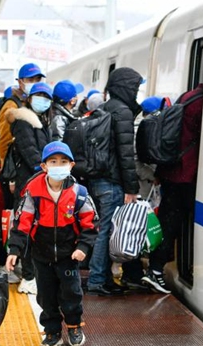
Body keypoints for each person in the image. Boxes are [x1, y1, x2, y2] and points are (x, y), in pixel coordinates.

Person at [6, 141, 98, 346]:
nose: (59, 165)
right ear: (44, 166)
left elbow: (91, 223)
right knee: (46, 296)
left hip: (69, 255)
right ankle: (52, 331)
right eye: (53, 161)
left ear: (71, 165)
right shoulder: (33, 192)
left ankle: (74, 326)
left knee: (71, 293)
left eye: (63, 161)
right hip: (41, 255)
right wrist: (14, 250)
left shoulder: (79, 193)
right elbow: (22, 222)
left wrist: (83, 248)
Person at [141, 83, 203, 292]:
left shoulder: (187, 97)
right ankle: (156, 271)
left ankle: (155, 267)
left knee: (168, 221)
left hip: (171, 170)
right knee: (172, 223)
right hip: (185, 174)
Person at [85, 67, 142, 296]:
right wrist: (131, 188)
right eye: (135, 87)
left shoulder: (103, 109)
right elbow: (125, 154)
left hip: (97, 180)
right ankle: (97, 279)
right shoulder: (123, 112)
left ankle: (103, 277)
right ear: (126, 87)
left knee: (102, 228)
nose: (136, 92)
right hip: (112, 182)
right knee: (106, 230)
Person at [4, 81, 53, 295]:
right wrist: (45, 170)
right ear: (29, 98)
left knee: (36, 228)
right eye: (38, 95)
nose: (42, 99)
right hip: (29, 182)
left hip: (39, 179)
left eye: (46, 96)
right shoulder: (24, 120)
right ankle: (28, 277)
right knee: (26, 227)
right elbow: (29, 150)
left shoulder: (41, 121)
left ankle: (32, 273)